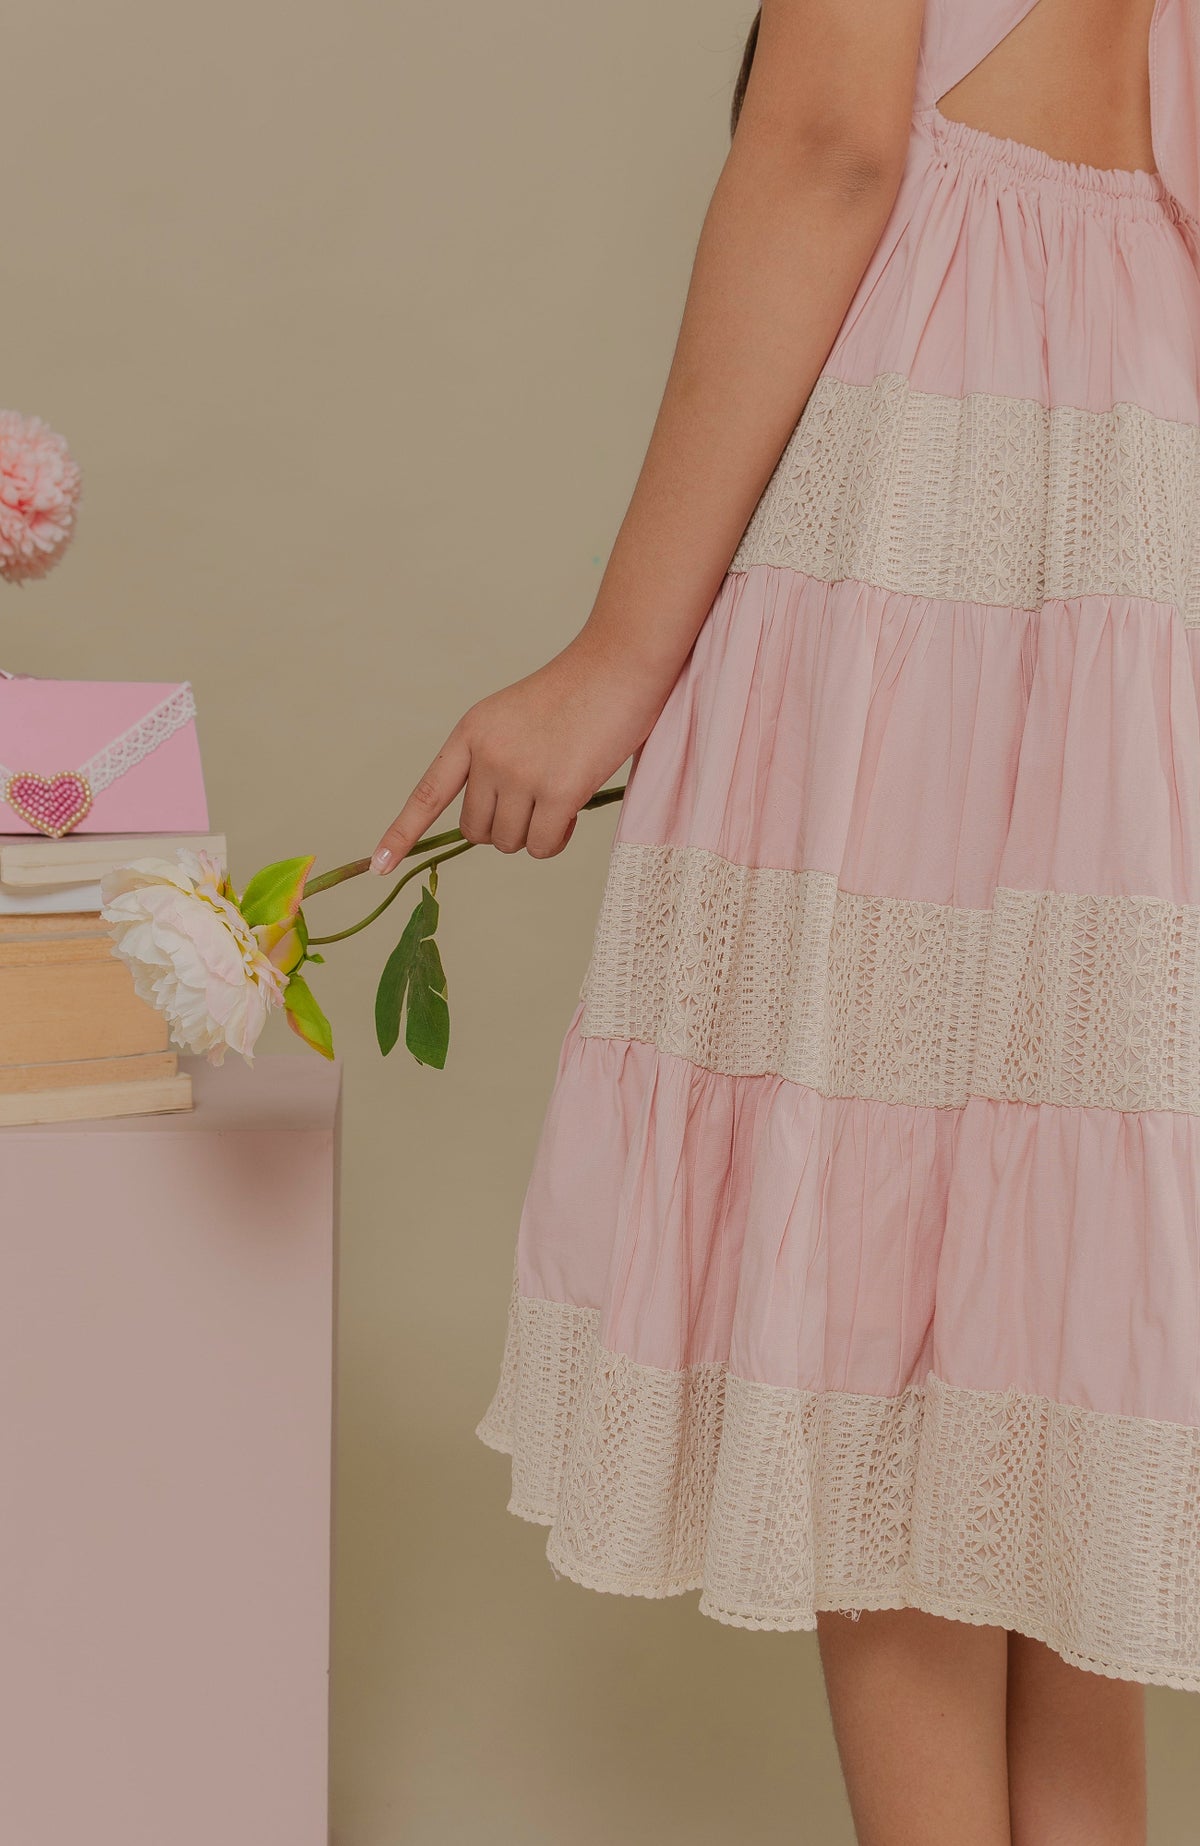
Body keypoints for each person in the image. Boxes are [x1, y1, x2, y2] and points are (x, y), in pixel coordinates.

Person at [372, 4, 1200, 1841]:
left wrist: (616, 657)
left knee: (885, 1309)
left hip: (949, 466)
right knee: (1050, 1330)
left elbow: (831, 145)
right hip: (1147, 454)